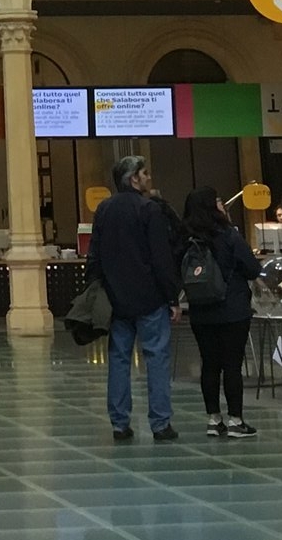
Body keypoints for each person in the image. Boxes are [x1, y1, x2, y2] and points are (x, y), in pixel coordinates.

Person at [90, 155, 180, 443]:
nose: (149, 177)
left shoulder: (103, 210)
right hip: (150, 298)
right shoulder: (148, 209)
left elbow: (94, 255)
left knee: (118, 359)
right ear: (133, 179)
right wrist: (172, 296)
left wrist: (99, 290)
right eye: (144, 173)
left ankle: (119, 423)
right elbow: (160, 257)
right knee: (156, 357)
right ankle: (160, 423)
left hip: (117, 299)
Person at [179, 187, 261, 439]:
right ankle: (236, 420)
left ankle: (213, 419)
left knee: (210, 364)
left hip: (201, 311)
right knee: (232, 365)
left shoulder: (186, 238)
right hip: (232, 309)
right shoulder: (229, 235)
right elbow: (252, 268)